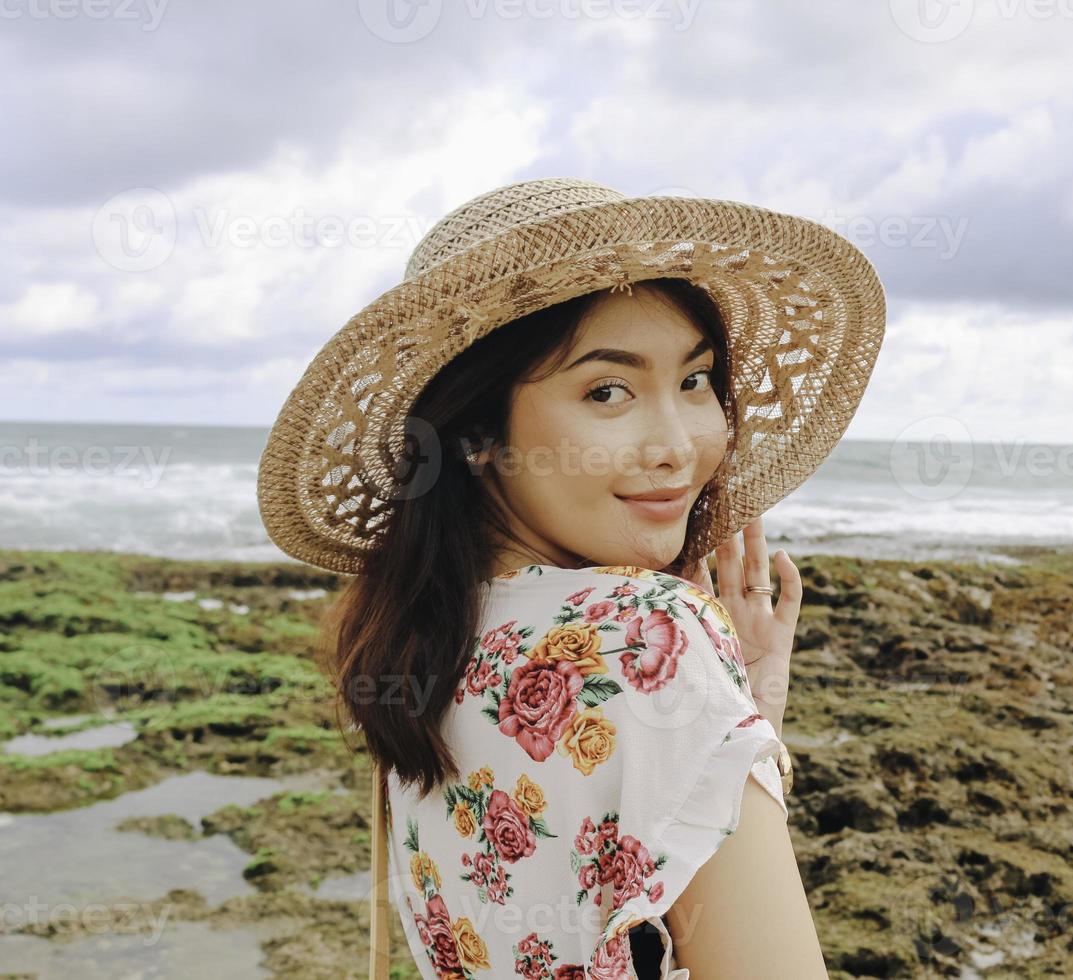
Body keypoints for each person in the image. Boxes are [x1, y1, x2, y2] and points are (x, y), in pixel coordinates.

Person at [256, 178, 886, 979]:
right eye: (608, 391)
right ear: (479, 432)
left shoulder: (419, 647)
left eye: (694, 381)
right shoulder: (648, 632)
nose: (676, 445)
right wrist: (710, 695)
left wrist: (743, 722)